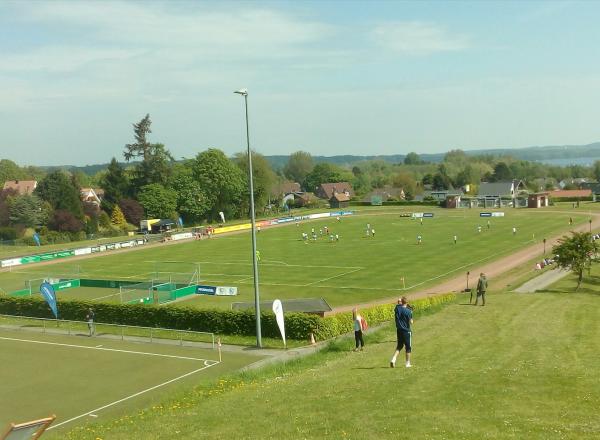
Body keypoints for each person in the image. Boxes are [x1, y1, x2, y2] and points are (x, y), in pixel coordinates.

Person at [390, 297, 413, 368]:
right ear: (406, 302)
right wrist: (411, 314)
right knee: (408, 348)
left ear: (401, 302)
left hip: (399, 330)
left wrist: (401, 301)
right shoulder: (408, 311)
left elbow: (399, 302)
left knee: (399, 346)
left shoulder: (397, 308)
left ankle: (393, 359)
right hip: (406, 331)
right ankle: (407, 363)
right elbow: (411, 322)